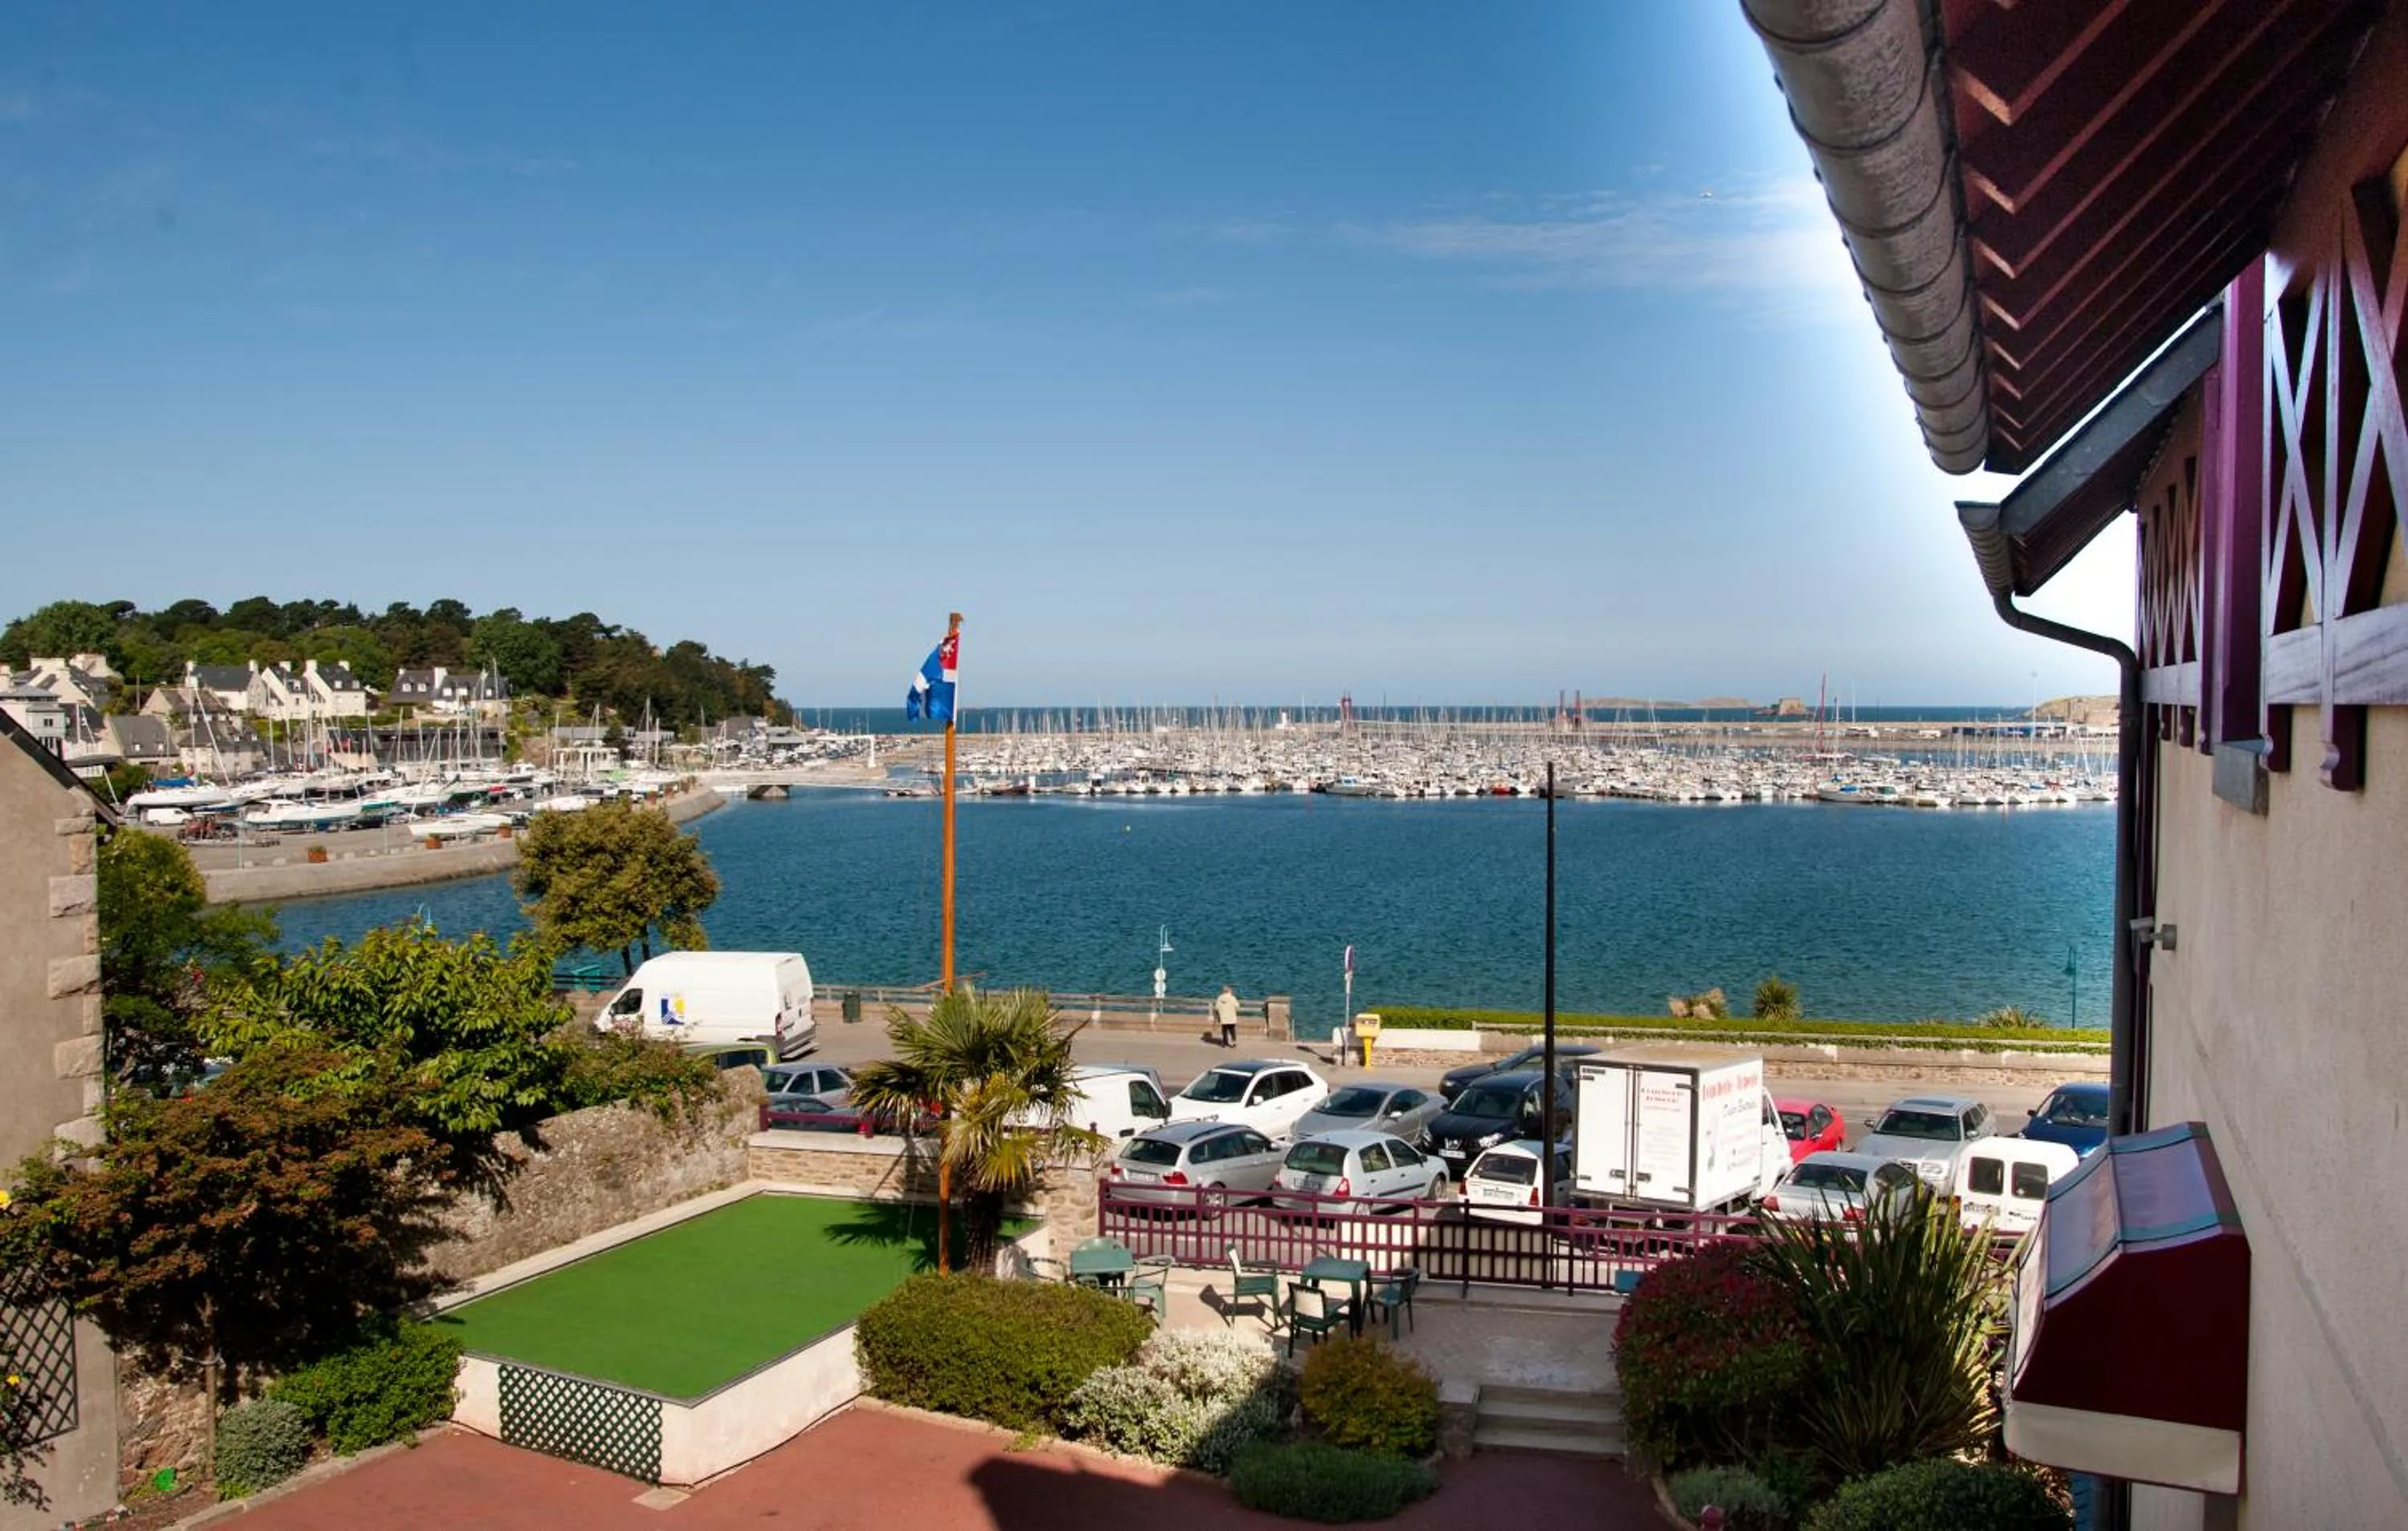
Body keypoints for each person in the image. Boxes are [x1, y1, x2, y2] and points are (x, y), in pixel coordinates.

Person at [1214, 984, 1240, 1049]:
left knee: (1224, 1030)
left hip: (1223, 1017)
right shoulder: (1232, 998)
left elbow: (1216, 1008)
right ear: (1229, 991)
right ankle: (1234, 1042)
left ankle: (1225, 1043)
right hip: (1231, 1017)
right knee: (1232, 1030)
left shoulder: (1220, 998)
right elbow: (1237, 1006)